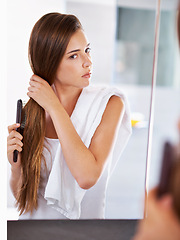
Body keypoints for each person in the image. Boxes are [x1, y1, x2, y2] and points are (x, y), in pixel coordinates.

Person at [7, 12, 132, 219]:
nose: (87, 62)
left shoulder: (110, 103)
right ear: (50, 62)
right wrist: (16, 167)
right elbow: (23, 200)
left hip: (82, 233)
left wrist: (54, 108)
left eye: (87, 50)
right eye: (74, 56)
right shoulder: (31, 112)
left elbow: (87, 177)